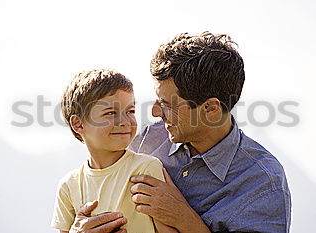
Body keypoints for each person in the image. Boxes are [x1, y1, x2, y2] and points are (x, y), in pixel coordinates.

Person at [67, 32, 292, 233]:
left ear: (210, 108)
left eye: (167, 104)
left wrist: (185, 219)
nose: (155, 112)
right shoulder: (147, 140)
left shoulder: (263, 182)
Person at [50, 69, 178, 233]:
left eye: (130, 111)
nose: (125, 121)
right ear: (78, 124)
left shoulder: (146, 169)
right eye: (111, 113)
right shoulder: (68, 186)